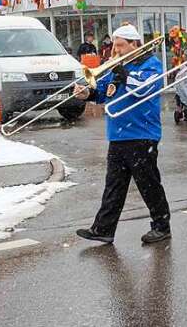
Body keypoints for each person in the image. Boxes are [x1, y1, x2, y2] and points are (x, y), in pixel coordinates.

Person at [73, 24, 171, 246]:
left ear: (135, 44)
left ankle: (161, 226)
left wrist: (123, 74)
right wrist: (86, 93)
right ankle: (103, 229)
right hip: (117, 134)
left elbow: (144, 89)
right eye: (114, 46)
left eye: (120, 46)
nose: (115, 51)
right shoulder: (115, 65)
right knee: (114, 185)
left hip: (142, 134)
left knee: (148, 184)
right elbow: (102, 92)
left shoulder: (151, 64)